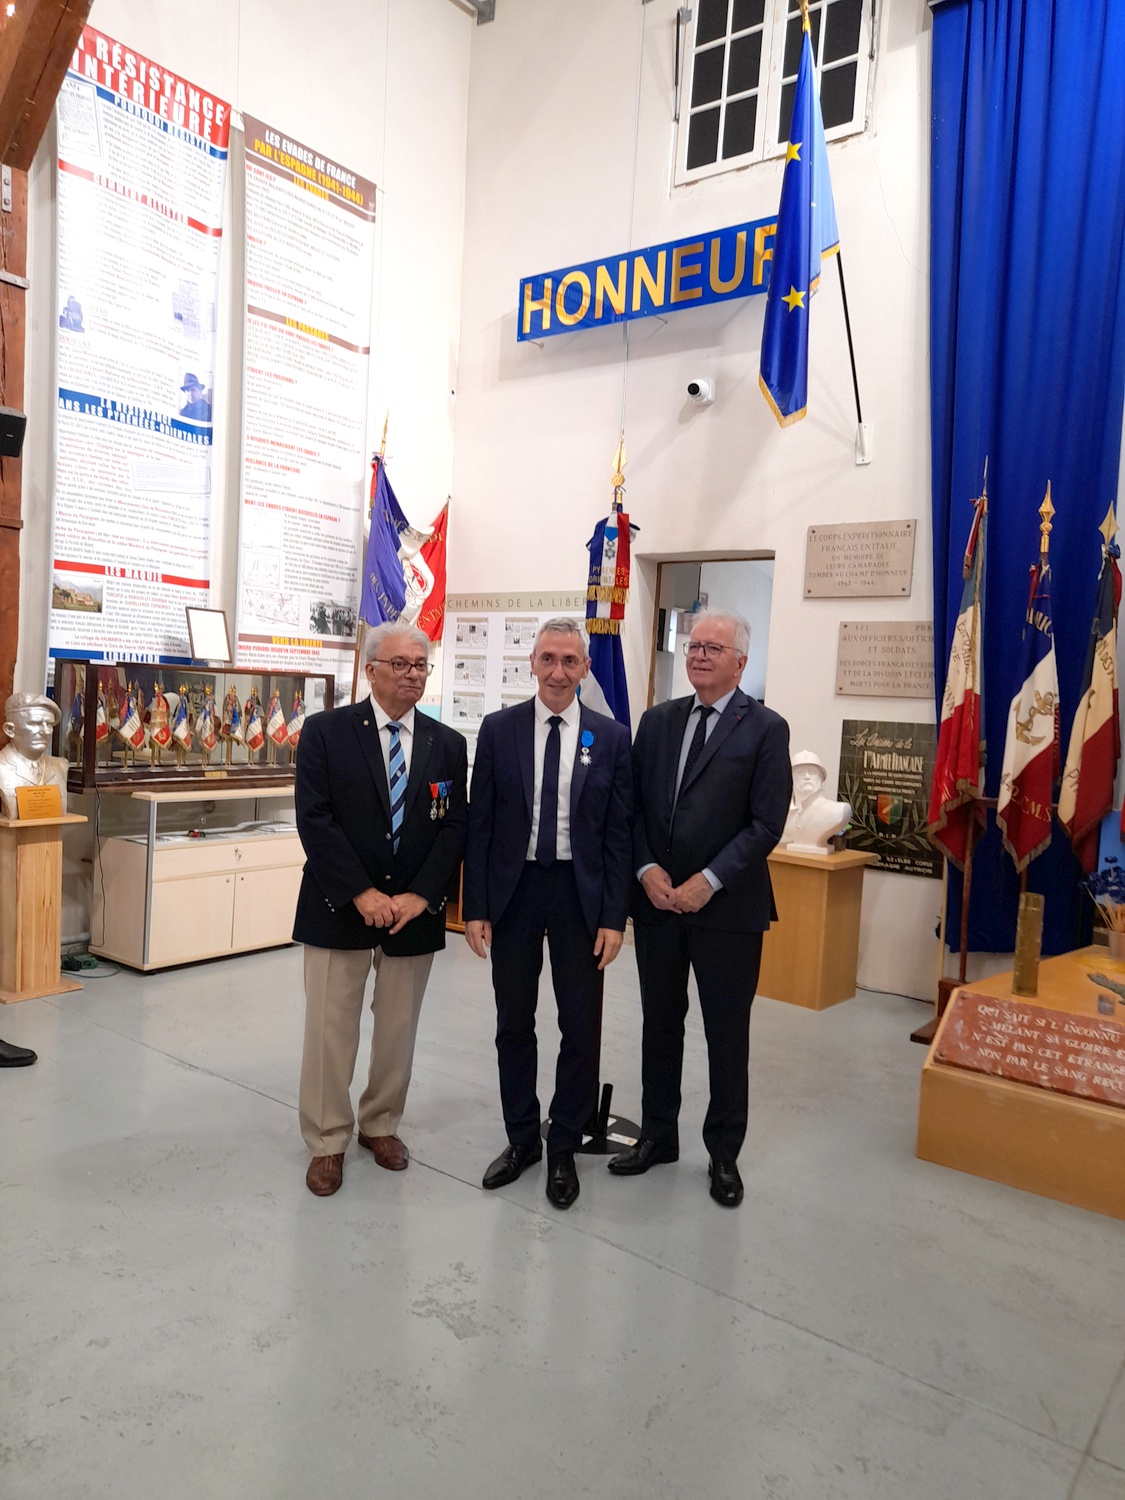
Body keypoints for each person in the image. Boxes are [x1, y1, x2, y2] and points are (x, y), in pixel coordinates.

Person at [609, 610, 791, 1208]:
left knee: (724, 1035)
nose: (701, 655)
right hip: (659, 903)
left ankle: (723, 1155)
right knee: (659, 1026)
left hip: (727, 912)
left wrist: (707, 881)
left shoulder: (766, 728)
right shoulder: (658, 722)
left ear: (741, 661)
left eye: (715, 647)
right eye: (694, 645)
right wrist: (646, 870)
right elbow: (630, 809)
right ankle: (659, 1137)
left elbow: (766, 823)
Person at [464, 618, 633, 1210]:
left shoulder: (610, 739)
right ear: (530, 665)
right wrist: (475, 907)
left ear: (585, 668)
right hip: (513, 894)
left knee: (579, 1027)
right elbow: (480, 824)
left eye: (570, 661)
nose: (558, 671)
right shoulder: (499, 729)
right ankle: (521, 1140)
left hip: (579, 898)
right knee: (515, 1022)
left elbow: (618, 836)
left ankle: (563, 1145)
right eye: (548, 659)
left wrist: (615, 917)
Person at [294, 622, 467, 1196]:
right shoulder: (326, 732)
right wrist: (360, 893)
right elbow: (314, 819)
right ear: (371, 670)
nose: (413, 674)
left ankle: (381, 1124)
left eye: (421, 665)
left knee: (398, 1030)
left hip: (412, 912)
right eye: (400, 664)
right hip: (338, 905)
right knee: (330, 1030)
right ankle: (326, 1139)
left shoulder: (449, 744)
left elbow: (453, 829)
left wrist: (421, 895)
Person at [0, 693, 68, 820]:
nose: (45, 731)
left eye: (49, 724)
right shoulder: (2, 767)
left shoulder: (61, 766)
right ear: (10, 730)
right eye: (35, 723)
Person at [781, 749, 852, 853]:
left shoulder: (838, 811)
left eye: (812, 772)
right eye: (800, 772)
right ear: (790, 779)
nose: (806, 776)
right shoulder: (782, 813)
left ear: (822, 779)